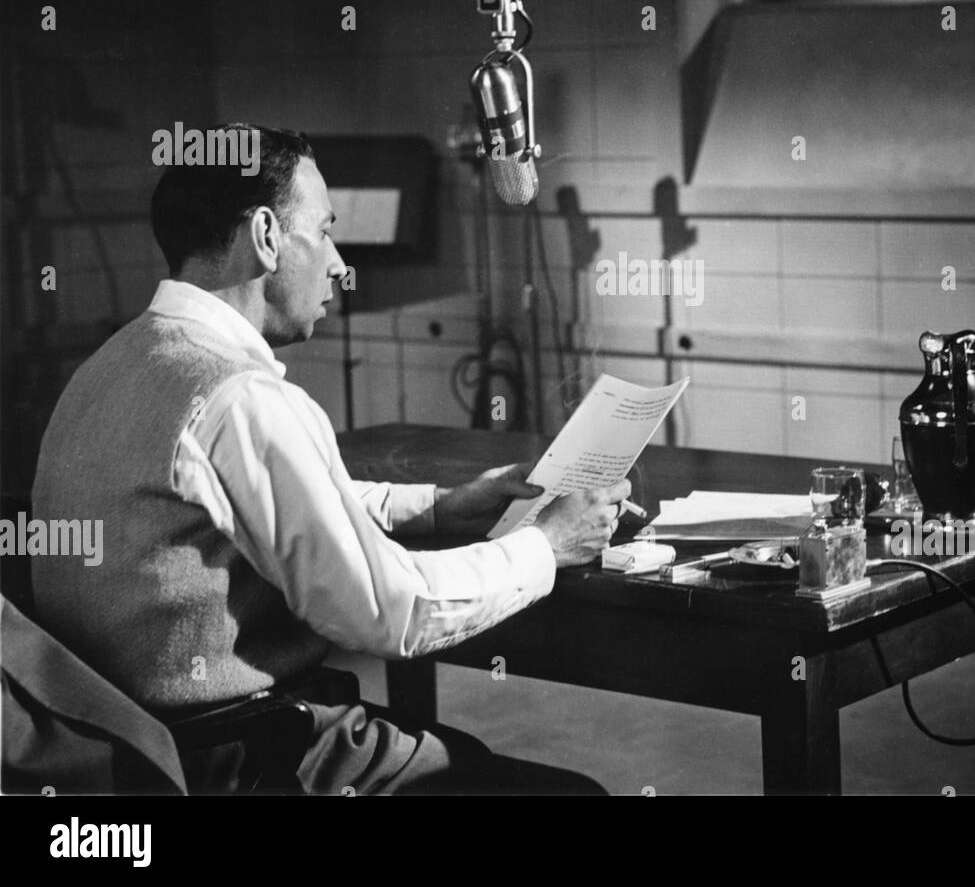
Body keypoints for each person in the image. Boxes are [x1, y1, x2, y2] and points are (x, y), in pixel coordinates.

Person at [27, 123, 628, 794]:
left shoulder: (111, 364)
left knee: (459, 753)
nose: (340, 262)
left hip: (126, 748)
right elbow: (390, 609)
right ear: (265, 235)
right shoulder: (239, 399)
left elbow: (266, 504)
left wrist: (440, 505)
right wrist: (546, 543)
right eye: (324, 230)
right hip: (241, 755)